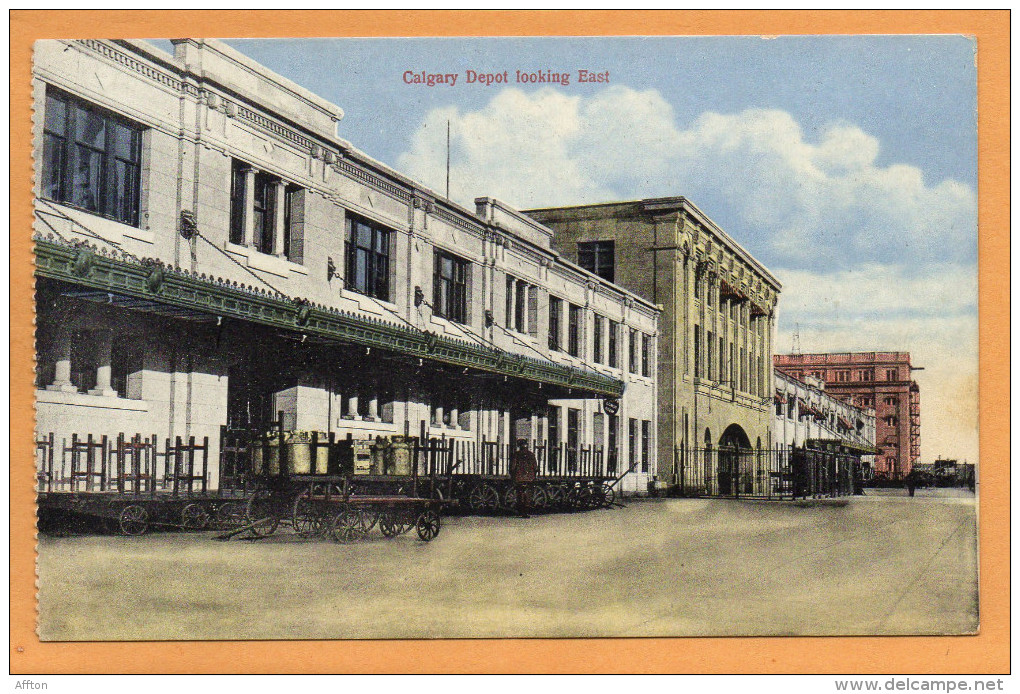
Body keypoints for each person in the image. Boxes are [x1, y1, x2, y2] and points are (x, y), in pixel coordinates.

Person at [508, 439, 538, 518]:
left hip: (519, 478)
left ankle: (521, 511)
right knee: (528, 495)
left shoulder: (516, 455)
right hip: (530, 478)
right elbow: (535, 467)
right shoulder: (531, 455)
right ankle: (527, 512)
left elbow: (513, 467)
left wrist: (512, 474)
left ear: (519, 446)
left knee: (520, 494)